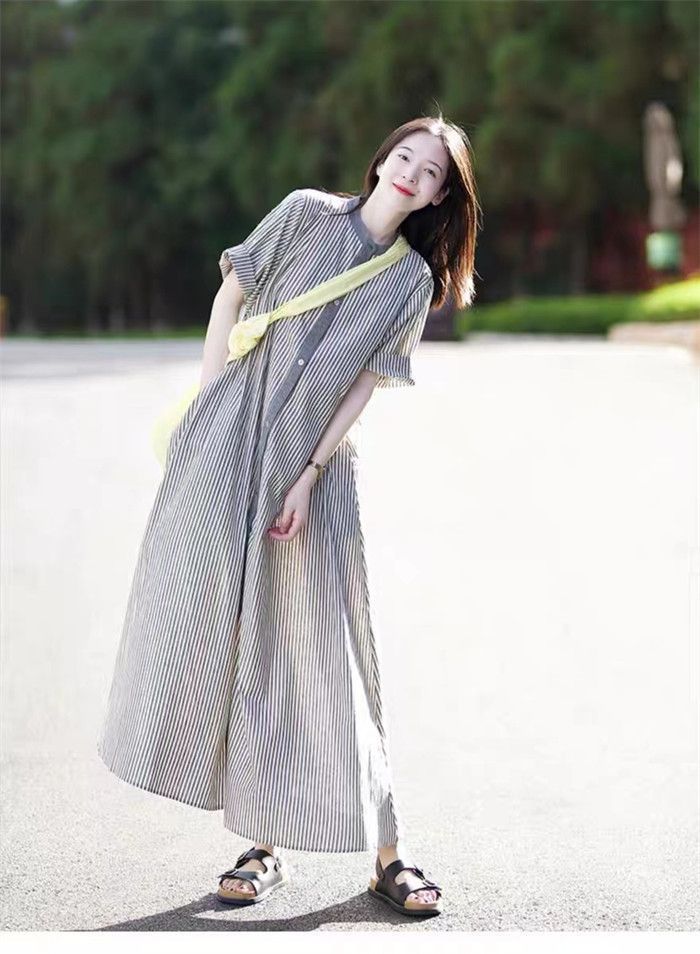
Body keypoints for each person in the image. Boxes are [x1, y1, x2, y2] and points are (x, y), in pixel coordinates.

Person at [97, 114, 480, 918]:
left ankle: (389, 855)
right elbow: (232, 292)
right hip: (227, 440)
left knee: (333, 652)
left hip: (313, 476)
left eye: (431, 172)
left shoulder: (411, 282)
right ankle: (262, 846)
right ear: (381, 160)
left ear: (440, 197)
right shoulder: (306, 212)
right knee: (227, 634)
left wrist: (309, 474)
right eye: (405, 155)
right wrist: (211, 410)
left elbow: (364, 385)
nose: (412, 172)